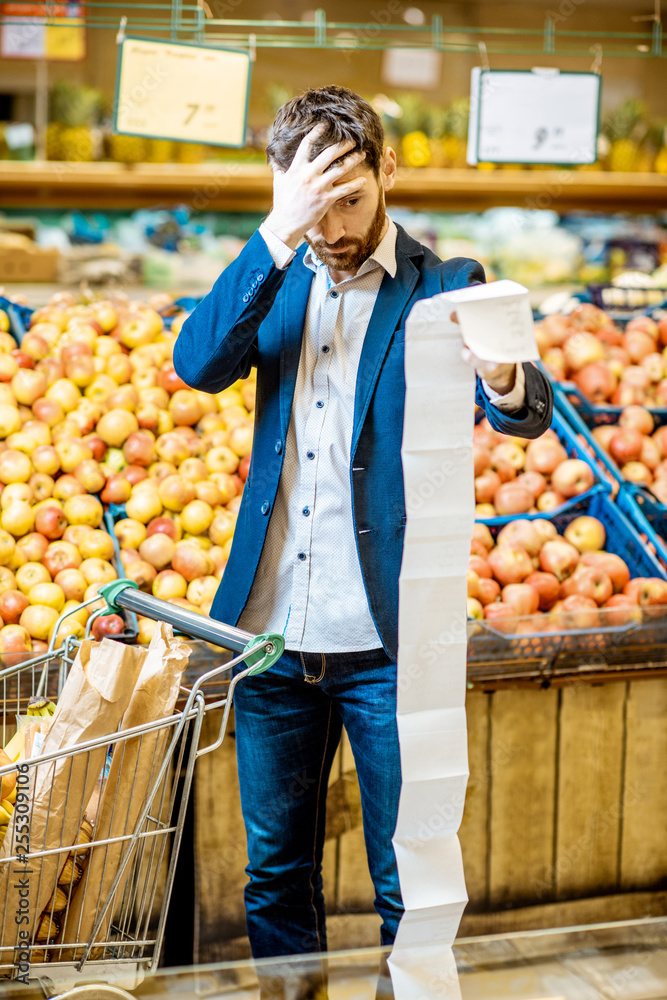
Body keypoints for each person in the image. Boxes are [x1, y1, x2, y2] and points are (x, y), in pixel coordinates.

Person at [174, 85, 553, 967]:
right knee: (273, 875)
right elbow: (197, 365)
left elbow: (528, 412)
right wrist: (279, 228)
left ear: (387, 170)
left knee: (406, 884)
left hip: (387, 642)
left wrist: (501, 379)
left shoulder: (445, 283)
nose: (332, 226)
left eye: (349, 198)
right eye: (313, 203)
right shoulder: (271, 277)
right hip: (269, 641)